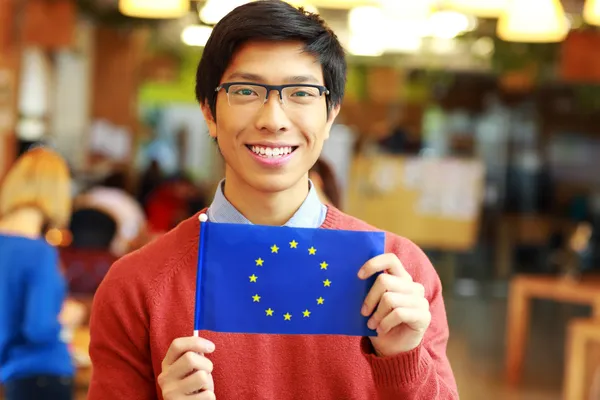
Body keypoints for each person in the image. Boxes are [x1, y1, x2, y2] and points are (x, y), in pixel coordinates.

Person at [88, 2, 458, 399]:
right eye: (246, 90)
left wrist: (403, 357)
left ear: (330, 115)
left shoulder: (401, 273)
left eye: (301, 93)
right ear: (209, 113)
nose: (273, 119)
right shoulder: (136, 285)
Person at [0, 147, 84, 400]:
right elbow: (38, 328)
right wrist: (67, 316)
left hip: (9, 372)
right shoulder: (39, 252)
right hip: (41, 374)